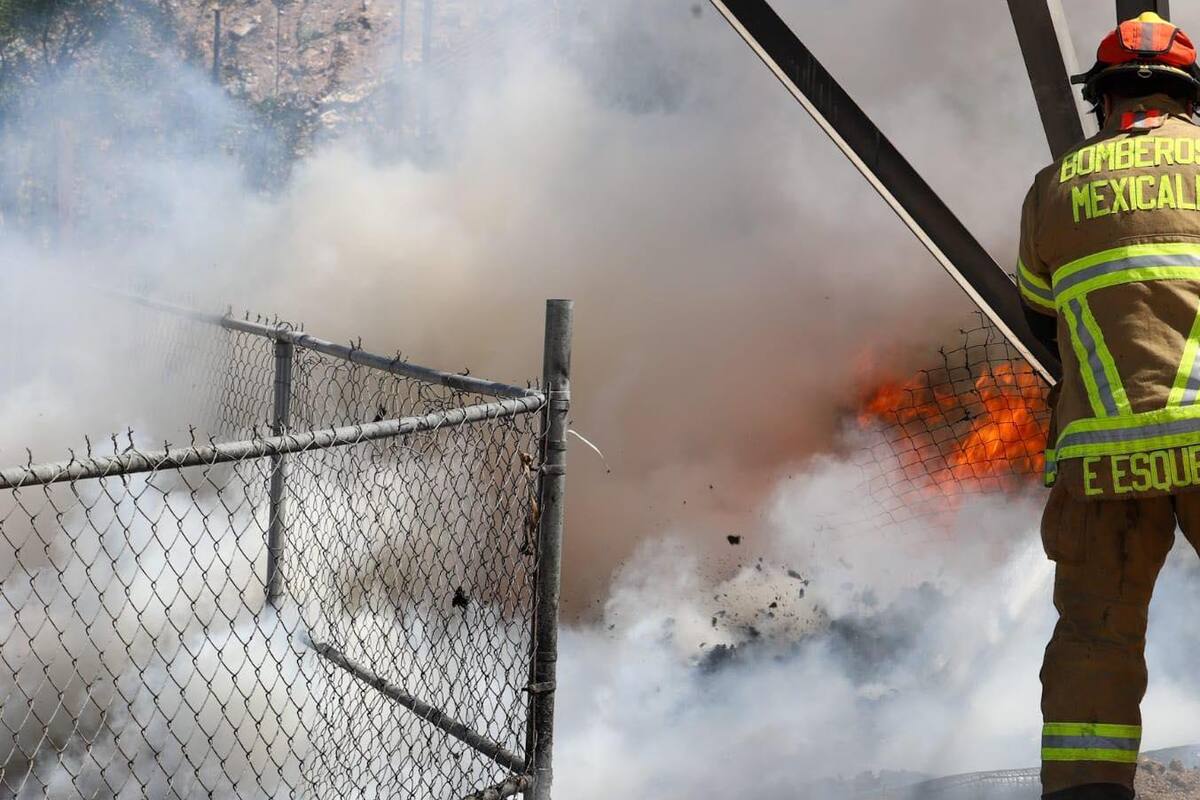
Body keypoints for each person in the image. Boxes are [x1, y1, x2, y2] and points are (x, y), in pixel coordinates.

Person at [1017, 11, 1200, 800]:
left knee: (1094, 634)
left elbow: (1040, 314)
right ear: (1186, 99)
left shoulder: (1051, 189)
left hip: (1101, 458)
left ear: (1106, 101)